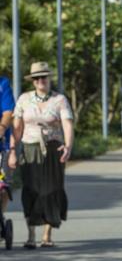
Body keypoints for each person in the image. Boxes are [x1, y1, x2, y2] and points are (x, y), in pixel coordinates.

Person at [8, 62, 74, 249]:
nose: (40, 81)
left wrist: (68, 146)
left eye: (43, 77)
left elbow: (67, 123)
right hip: (30, 149)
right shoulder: (24, 99)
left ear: (49, 78)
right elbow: (17, 127)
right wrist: (13, 151)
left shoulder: (59, 99)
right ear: (33, 81)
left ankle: (47, 234)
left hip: (53, 149)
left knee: (51, 190)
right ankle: (30, 235)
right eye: (36, 78)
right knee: (31, 190)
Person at [0, 75, 15, 214]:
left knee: (3, 185)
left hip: (2, 145)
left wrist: (1, 128)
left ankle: (1, 217)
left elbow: (8, 112)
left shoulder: (2, 83)